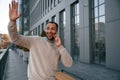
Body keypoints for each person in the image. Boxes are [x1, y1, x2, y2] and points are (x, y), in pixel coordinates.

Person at [8, 1, 73, 80]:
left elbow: (69, 64)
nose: (49, 31)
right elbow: (15, 39)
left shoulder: (58, 47)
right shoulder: (35, 40)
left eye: (53, 29)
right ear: (45, 30)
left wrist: (60, 46)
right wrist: (12, 22)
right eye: (48, 28)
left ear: (56, 31)